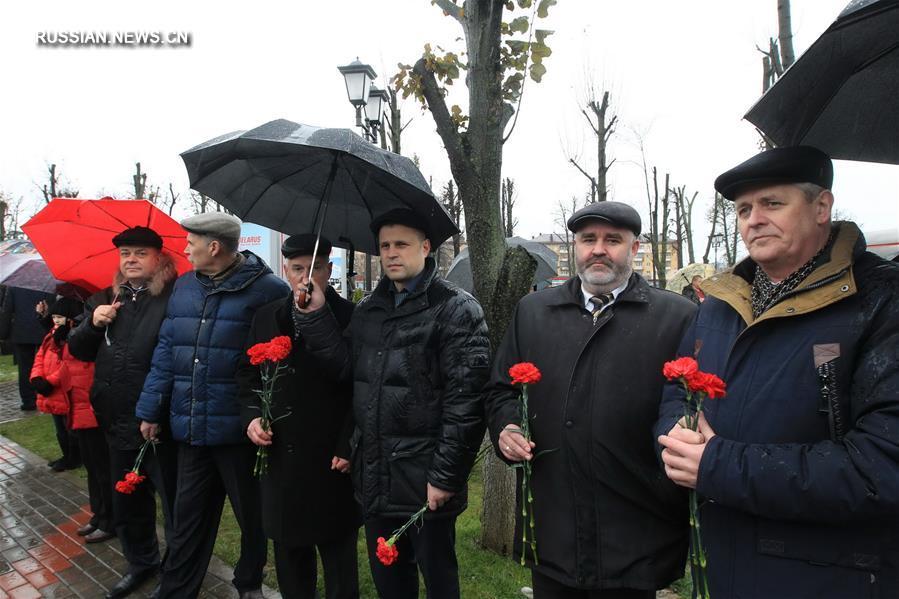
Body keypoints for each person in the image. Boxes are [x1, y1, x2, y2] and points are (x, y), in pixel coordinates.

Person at [656, 146, 899, 599]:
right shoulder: (720, 303)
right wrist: (677, 438)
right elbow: (676, 386)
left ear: (821, 207)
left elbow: (884, 466)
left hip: (831, 574)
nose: (754, 220)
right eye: (744, 209)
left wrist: (717, 465)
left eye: (772, 204)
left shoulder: (880, 302)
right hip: (723, 563)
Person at [483, 201, 697, 599]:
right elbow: (501, 390)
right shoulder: (533, 312)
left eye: (613, 240)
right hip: (553, 525)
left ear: (634, 249)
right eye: (588, 239)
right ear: (575, 246)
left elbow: (688, 402)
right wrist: (507, 426)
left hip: (637, 529)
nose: (599, 249)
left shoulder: (677, 316)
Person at [295, 209, 489, 599]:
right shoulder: (370, 309)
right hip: (376, 475)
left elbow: (466, 402)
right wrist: (314, 316)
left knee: (438, 580)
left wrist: (445, 477)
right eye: (385, 246)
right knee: (390, 580)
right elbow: (348, 369)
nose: (391, 253)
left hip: (426, 477)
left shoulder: (455, 309)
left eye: (401, 244)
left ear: (426, 246)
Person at [136, 212, 288, 599]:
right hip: (191, 428)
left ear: (214, 246)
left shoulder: (268, 290)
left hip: (239, 432)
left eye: (191, 242)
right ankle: (176, 588)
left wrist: (261, 415)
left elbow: (276, 363)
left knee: (251, 518)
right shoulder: (184, 287)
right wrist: (151, 409)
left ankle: (249, 582)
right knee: (187, 519)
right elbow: (167, 349)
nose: (185, 248)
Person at [237, 234, 361, 599]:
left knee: (339, 559)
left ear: (330, 267)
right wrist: (251, 418)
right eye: (297, 269)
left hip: (331, 458)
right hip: (281, 457)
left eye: (316, 268)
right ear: (285, 269)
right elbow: (246, 375)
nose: (307, 278)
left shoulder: (351, 317)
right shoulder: (266, 317)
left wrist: (349, 443)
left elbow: (363, 387)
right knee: (291, 558)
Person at [68, 226, 180, 598]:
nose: (130, 259)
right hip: (116, 418)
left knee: (173, 502)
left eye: (139, 253)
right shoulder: (104, 298)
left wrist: (160, 409)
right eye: (125, 253)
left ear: (159, 258)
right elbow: (80, 350)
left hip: (160, 423)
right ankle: (140, 563)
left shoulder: (174, 298)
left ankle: (176, 570)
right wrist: (91, 323)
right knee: (127, 498)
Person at [31, 296, 114, 545]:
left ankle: (110, 519)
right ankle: (99, 514)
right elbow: (46, 357)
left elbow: (75, 365)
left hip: (89, 407)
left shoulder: (84, 331)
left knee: (103, 469)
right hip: (76, 408)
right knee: (92, 467)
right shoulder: (62, 333)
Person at [0, 286, 56, 411]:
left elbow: (7, 310)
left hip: (22, 331)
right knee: (47, 365)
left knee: (25, 368)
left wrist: (3, 333)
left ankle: (28, 400)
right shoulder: (45, 284)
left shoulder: (15, 286)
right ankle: (45, 394)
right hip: (42, 329)